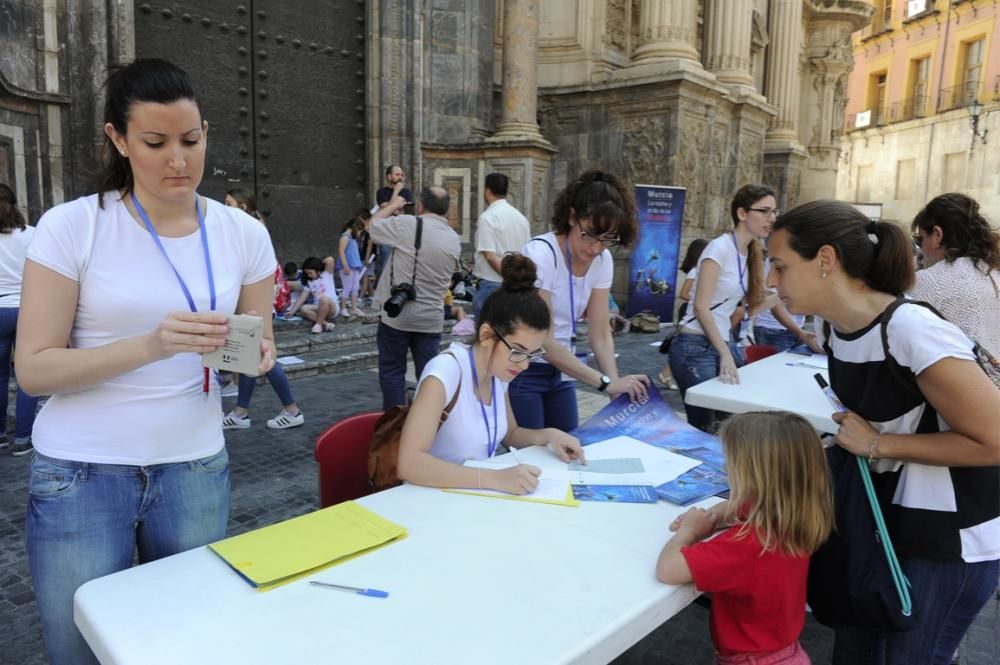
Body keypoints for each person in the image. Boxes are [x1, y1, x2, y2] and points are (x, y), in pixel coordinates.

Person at [16, 58, 277, 664]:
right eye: (155, 143)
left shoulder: (243, 233)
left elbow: (257, 345)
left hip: (193, 470)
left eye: (190, 141)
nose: (178, 161)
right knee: (78, 649)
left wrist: (256, 357)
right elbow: (34, 370)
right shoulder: (73, 227)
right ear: (119, 139)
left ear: (207, 132)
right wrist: (152, 346)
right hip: (81, 475)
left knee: (186, 644)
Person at [768, 200, 1000, 664]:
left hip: (946, 541)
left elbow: (994, 439)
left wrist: (876, 443)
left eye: (780, 265)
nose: (772, 282)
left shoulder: (911, 328)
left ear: (826, 261)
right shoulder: (841, 331)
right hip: (884, 526)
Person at [397, 254, 586, 493]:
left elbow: (511, 434)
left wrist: (549, 435)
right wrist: (494, 479)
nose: (524, 365)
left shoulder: (498, 372)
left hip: (469, 499)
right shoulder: (445, 372)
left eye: (532, 354)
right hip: (427, 499)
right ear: (487, 335)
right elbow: (409, 464)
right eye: (518, 351)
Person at [656, 411, 834, 664]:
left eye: (732, 461)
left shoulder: (747, 545)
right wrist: (710, 516)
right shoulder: (793, 514)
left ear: (755, 476)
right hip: (785, 651)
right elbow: (736, 507)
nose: (726, 466)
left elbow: (669, 570)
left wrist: (689, 532)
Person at [512, 170, 650, 432]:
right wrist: (604, 383)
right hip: (524, 368)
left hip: (565, 370)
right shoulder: (540, 254)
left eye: (608, 239)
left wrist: (615, 389)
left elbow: (600, 333)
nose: (596, 248)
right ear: (572, 216)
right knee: (532, 454)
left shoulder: (602, 260)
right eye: (590, 235)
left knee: (569, 448)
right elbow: (542, 339)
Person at [667, 185, 778, 432]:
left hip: (720, 343)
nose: (771, 218)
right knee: (705, 427)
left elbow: (748, 309)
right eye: (765, 211)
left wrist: (785, 295)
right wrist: (725, 353)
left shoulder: (749, 254)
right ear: (742, 213)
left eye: (773, 212)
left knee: (731, 422)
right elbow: (700, 307)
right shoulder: (719, 248)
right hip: (694, 346)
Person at [369, 185, 462, 410]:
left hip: (398, 316)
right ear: (446, 210)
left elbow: (372, 228)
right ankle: (425, 424)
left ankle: (395, 429)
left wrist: (393, 205)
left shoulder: (409, 224)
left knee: (392, 371)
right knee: (429, 376)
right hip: (431, 319)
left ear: (420, 205)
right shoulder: (454, 239)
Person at [221, 191, 304, 431]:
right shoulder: (245, 227)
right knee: (252, 356)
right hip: (248, 299)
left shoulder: (250, 229)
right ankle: (241, 413)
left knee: (260, 354)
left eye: (229, 204)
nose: (224, 208)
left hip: (254, 299)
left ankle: (291, 410)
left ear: (243, 206)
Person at [909, 192, 1000, 358]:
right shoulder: (994, 274)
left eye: (920, 238)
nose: (921, 247)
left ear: (937, 235)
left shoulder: (929, 281)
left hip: (956, 380)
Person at [0, 184, 39, 456]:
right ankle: (23, 439)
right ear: (15, 204)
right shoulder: (32, 235)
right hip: (27, 308)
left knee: (0, 377)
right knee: (28, 376)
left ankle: (1, 435)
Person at [472, 172, 531, 322]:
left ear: (487, 191)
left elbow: (490, 256)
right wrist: (516, 280)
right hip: (516, 286)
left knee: (486, 337)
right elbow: (526, 254)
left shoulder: (488, 217)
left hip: (492, 285)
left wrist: (510, 278)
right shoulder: (521, 218)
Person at [286, 255, 339, 333]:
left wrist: (318, 264)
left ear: (317, 270)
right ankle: (326, 324)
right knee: (303, 309)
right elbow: (301, 298)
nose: (309, 275)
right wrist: (292, 312)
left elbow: (330, 259)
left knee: (323, 299)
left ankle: (318, 325)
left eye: (310, 272)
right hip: (318, 308)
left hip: (332, 307)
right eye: (307, 273)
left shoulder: (327, 274)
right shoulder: (310, 283)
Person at [336, 217, 365, 318]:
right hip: (347, 267)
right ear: (354, 227)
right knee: (347, 288)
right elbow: (341, 251)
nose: (359, 232)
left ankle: (354, 308)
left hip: (354, 267)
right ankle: (343, 308)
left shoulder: (352, 239)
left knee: (355, 287)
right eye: (359, 229)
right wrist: (345, 266)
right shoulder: (345, 237)